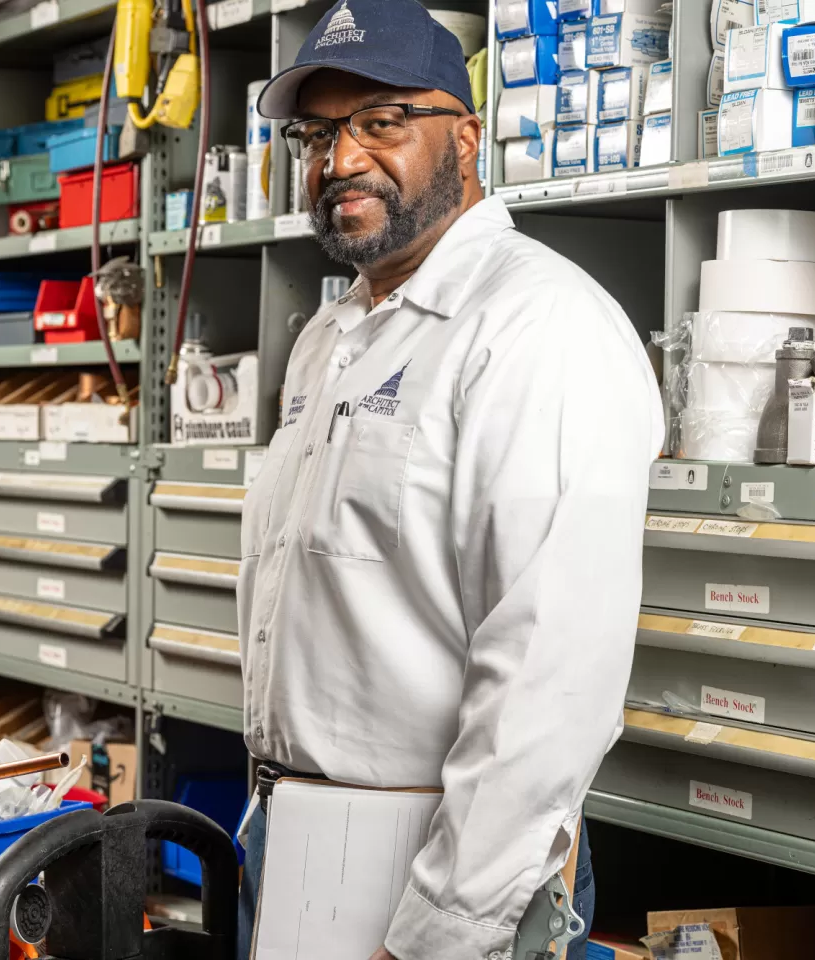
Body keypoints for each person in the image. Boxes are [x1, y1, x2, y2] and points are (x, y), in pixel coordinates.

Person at [235, 1, 664, 958]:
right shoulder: (329, 340)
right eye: (317, 133)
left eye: (382, 122)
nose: (339, 160)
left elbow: (551, 675)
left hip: (436, 867)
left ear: (467, 138)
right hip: (292, 840)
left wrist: (445, 930)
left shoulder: (537, 327)